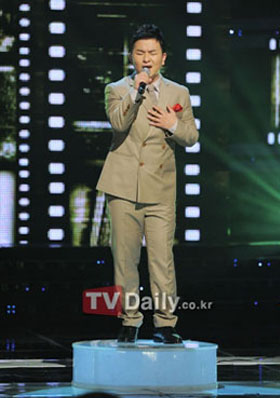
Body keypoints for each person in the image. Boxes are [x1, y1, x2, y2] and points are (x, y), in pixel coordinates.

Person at [96, 23, 199, 344]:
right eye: (140, 52)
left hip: (160, 188)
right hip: (122, 186)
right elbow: (118, 122)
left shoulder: (179, 93)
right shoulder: (116, 89)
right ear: (132, 56)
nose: (146, 58)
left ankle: (165, 323)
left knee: (161, 259)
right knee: (125, 259)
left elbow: (191, 137)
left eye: (152, 52)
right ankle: (130, 320)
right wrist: (135, 92)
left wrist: (173, 124)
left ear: (163, 57)